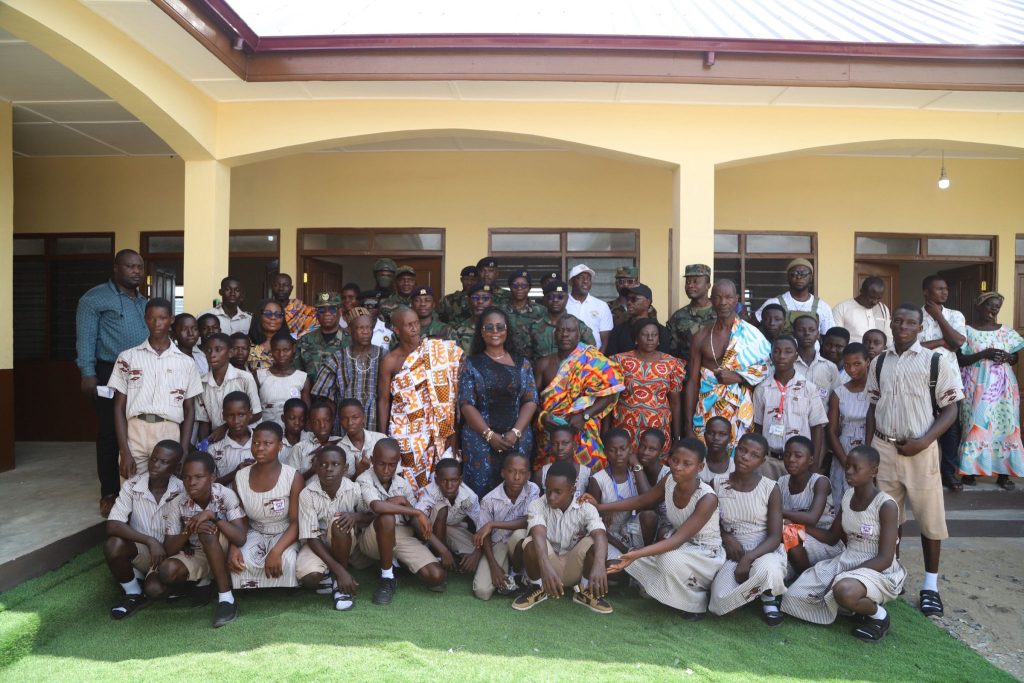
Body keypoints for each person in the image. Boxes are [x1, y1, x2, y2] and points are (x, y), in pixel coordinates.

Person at [866, 302, 964, 617]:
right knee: (888, 518)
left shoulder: (935, 361)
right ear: (891, 324)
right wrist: (869, 451)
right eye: (898, 321)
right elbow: (873, 407)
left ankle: (931, 586)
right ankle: (892, 575)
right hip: (884, 448)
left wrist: (924, 441)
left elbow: (951, 409)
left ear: (920, 328)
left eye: (911, 323)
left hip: (922, 450)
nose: (903, 327)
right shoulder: (879, 362)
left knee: (929, 519)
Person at [781, 446, 907, 642]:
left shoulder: (886, 505)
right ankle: (853, 608)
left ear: (874, 471)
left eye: (856, 468)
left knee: (844, 590)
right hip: (846, 559)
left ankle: (878, 616)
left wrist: (843, 576)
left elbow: (885, 558)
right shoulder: (848, 496)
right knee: (792, 597)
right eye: (847, 466)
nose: (848, 472)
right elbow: (832, 537)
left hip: (878, 569)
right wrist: (798, 527)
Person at [602, 439, 726, 621]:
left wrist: (637, 554)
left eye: (687, 464)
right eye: (674, 460)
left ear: (700, 467)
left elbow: (677, 540)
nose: (678, 467)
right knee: (629, 562)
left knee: (666, 560)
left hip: (705, 553)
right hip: (678, 544)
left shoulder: (707, 498)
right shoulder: (669, 480)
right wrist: (599, 507)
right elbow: (642, 500)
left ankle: (696, 603)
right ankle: (667, 590)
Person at [76, 249, 148, 515]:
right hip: (108, 372)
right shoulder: (95, 298)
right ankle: (109, 492)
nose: (136, 271)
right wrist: (87, 372)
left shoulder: (143, 301)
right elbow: (85, 337)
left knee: (137, 429)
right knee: (109, 432)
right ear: (116, 268)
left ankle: (137, 489)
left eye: (139, 267)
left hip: (143, 373)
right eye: (130, 266)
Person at [108, 298, 202, 480]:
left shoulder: (186, 363)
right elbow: (118, 407)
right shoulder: (128, 357)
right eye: (151, 318)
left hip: (169, 430)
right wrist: (124, 451)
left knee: (168, 490)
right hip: (135, 431)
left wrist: (183, 450)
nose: (157, 323)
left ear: (171, 320)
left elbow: (190, 410)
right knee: (131, 489)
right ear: (145, 319)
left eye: (163, 318)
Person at [155, 450, 246, 628]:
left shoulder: (226, 494)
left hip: (224, 547)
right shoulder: (177, 502)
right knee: (167, 571)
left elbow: (240, 538)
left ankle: (226, 598)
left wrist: (213, 517)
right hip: (198, 551)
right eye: (186, 477)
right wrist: (189, 529)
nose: (191, 482)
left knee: (206, 531)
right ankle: (206, 579)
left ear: (212, 478)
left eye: (199, 477)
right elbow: (169, 549)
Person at [378, 308, 463, 493]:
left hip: (439, 429)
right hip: (405, 431)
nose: (415, 328)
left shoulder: (436, 351)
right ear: (396, 330)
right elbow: (384, 401)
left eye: (416, 323)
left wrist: (454, 432)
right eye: (409, 325)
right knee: (407, 480)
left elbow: (452, 395)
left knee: (440, 481)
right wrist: (382, 436)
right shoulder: (390, 360)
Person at [510, 460, 611, 613]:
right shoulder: (537, 505)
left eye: (558, 492)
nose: (551, 496)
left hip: (573, 566)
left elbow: (600, 534)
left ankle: (585, 591)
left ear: (572, 489)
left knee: (595, 541)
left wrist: (599, 564)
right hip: (546, 566)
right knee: (531, 541)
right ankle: (537, 588)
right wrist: (545, 567)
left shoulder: (586, 508)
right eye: (548, 490)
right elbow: (538, 533)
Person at [458, 307, 539, 497]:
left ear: (507, 330)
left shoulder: (523, 364)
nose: (495, 331)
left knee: (516, 490)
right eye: (489, 327)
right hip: (480, 439)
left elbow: (531, 399)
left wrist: (515, 432)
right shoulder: (471, 364)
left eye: (500, 327)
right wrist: (489, 435)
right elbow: (466, 404)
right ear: (481, 332)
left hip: (517, 439)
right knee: (481, 493)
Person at [708, 433, 788, 626]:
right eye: (742, 450)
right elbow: (709, 521)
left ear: (762, 461)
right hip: (732, 551)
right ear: (735, 450)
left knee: (768, 569)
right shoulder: (717, 484)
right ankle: (753, 591)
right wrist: (726, 537)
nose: (745, 457)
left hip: (764, 550)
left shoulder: (770, 488)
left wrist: (748, 558)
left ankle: (768, 598)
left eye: (754, 455)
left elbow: (775, 536)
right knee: (720, 605)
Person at [356, 438, 447, 604]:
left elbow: (413, 521)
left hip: (401, 535)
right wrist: (416, 511)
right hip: (373, 537)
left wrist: (407, 504)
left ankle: (398, 563)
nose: (386, 470)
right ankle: (387, 578)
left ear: (398, 463)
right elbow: (377, 506)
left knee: (436, 576)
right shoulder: (364, 479)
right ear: (373, 460)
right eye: (381, 464)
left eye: (391, 465)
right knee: (387, 517)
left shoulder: (402, 484)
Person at [104, 440, 184, 620]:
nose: (156, 465)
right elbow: (113, 524)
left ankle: (167, 583)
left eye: (164, 462)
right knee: (113, 544)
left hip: (171, 554)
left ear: (177, 467)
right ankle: (133, 593)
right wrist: (150, 541)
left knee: (155, 590)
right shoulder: (132, 485)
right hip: (143, 551)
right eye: (154, 459)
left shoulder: (182, 489)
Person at [685, 279, 771, 445]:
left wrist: (739, 377)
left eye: (728, 297)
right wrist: (687, 427)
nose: (723, 302)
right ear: (711, 300)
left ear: (736, 299)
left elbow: (769, 368)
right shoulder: (701, 336)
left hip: (740, 412)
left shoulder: (752, 334)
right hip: (707, 410)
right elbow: (692, 382)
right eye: (718, 297)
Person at [534, 316, 625, 471]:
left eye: (570, 330)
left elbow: (611, 392)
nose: (565, 334)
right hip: (551, 432)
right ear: (554, 334)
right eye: (561, 330)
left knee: (590, 474)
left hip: (583, 428)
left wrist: (585, 416)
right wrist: (543, 416)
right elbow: (531, 400)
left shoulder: (592, 360)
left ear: (578, 334)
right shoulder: (543, 364)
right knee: (549, 474)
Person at [957, 292, 1023, 490]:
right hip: (976, 385)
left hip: (1004, 387)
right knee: (975, 425)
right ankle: (970, 471)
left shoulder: (1006, 331)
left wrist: (1008, 357)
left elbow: (1015, 358)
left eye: (997, 307)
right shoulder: (967, 331)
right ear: (979, 307)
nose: (994, 310)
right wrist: (985, 353)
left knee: (1006, 427)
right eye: (990, 305)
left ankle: (1004, 474)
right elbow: (960, 360)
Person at [230, 421, 303, 590]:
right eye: (255, 443)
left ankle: (286, 588)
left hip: (284, 532)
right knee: (241, 560)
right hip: (254, 532)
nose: (260, 448)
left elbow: (296, 523)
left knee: (287, 560)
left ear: (280, 446)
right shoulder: (240, 477)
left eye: (267, 443)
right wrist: (234, 547)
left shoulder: (293, 477)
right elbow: (240, 520)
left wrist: (276, 551)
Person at [295, 446, 370, 611]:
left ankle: (339, 586)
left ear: (345, 468)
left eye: (335, 464)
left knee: (340, 522)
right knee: (309, 578)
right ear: (316, 467)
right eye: (323, 464)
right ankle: (335, 572)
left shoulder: (354, 489)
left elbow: (372, 515)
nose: (329, 469)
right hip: (318, 544)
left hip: (345, 542)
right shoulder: (307, 494)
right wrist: (340, 571)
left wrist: (356, 516)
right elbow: (311, 537)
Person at [752, 336, 828, 478]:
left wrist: (814, 463)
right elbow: (758, 427)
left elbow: (817, 428)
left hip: (800, 462)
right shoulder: (761, 389)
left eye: (788, 351)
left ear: (796, 356)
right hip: (769, 461)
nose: (782, 356)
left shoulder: (808, 389)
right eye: (777, 351)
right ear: (771, 356)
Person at [919, 275, 968, 491]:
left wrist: (939, 316)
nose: (944, 292)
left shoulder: (955, 315)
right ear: (925, 291)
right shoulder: (915, 315)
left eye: (945, 288)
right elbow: (911, 347)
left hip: (949, 379)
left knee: (951, 428)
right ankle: (923, 473)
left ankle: (948, 472)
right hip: (920, 379)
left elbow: (957, 342)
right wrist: (941, 341)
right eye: (939, 288)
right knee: (922, 425)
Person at [473, 453, 540, 600]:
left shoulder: (533, 489)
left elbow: (529, 520)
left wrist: (492, 524)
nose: (517, 477)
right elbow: (484, 536)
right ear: (503, 473)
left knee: (520, 535)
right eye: (511, 471)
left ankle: (517, 574)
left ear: (528, 475)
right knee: (482, 591)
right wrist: (494, 566)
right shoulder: (489, 500)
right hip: (499, 544)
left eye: (522, 472)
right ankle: (506, 571)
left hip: (521, 545)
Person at [612, 318, 686, 450]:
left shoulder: (671, 363)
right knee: (626, 460)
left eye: (654, 335)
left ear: (659, 339)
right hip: (626, 427)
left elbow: (675, 402)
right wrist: (606, 432)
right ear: (636, 339)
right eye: (645, 334)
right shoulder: (619, 361)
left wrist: (677, 436)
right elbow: (610, 398)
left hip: (658, 429)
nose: (650, 338)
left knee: (656, 461)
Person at [311, 310, 385, 434]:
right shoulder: (337, 358)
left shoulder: (384, 356)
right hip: (344, 427)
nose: (366, 332)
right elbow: (324, 398)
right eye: (360, 328)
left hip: (375, 424)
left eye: (369, 327)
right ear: (349, 330)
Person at [778, 436, 843, 575]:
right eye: (787, 455)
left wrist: (780, 513)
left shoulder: (820, 482)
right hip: (797, 539)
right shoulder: (781, 482)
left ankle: (807, 577)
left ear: (811, 460)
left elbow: (812, 518)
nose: (791, 459)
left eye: (798, 456)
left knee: (788, 532)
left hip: (823, 541)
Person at [586, 429, 654, 559]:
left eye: (623, 449)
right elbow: (592, 519)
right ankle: (633, 558)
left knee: (649, 516)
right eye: (613, 450)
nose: (618, 454)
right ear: (605, 452)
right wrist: (624, 549)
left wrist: (636, 464)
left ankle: (647, 555)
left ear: (630, 449)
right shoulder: (598, 480)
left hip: (631, 528)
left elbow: (648, 501)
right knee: (614, 565)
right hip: (609, 534)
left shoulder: (636, 473)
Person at [416, 459, 483, 574]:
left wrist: (477, 553)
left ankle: (453, 557)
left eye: (454, 480)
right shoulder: (430, 492)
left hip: (452, 529)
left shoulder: (469, 497)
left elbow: (483, 526)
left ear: (460, 480)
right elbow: (417, 519)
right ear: (437, 480)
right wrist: (443, 551)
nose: (449, 486)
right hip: (430, 531)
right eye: (444, 481)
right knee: (442, 509)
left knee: (474, 558)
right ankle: (439, 556)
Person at [194, 333, 261, 443]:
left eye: (218, 350)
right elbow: (204, 421)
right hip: (218, 443)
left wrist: (225, 428)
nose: (212, 355)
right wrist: (204, 444)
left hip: (246, 440)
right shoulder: (202, 384)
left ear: (230, 353)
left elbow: (257, 413)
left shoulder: (244, 378)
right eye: (208, 350)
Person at [827, 343, 871, 507]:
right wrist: (845, 461)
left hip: (870, 447)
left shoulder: (877, 391)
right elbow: (831, 431)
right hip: (844, 449)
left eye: (857, 363)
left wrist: (869, 457)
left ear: (867, 361)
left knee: (868, 500)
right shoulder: (839, 393)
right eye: (847, 364)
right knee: (843, 500)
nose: (851, 369)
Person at [755, 258, 835, 336]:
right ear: (788, 278)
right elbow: (751, 327)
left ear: (811, 278)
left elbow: (828, 337)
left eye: (803, 274)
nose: (799, 277)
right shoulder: (773, 303)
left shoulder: (823, 307)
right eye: (794, 274)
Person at [529, 280, 597, 359]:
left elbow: (592, 353)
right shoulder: (534, 326)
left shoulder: (578, 325)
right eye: (551, 297)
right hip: (542, 366)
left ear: (567, 298)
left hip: (571, 366)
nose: (555, 300)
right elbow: (527, 356)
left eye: (560, 297)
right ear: (544, 299)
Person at [256, 331, 310, 427]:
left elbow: (307, 413)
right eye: (276, 350)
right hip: (266, 431)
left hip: (294, 433)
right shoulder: (260, 376)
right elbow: (254, 410)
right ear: (271, 350)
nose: (281, 355)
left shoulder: (302, 378)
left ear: (293, 349)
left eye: (286, 350)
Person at [667, 263, 715, 362]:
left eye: (695, 282)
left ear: (708, 285)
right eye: (688, 282)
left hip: (715, 370)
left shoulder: (721, 313)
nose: (690, 285)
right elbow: (671, 352)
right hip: (687, 369)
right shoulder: (678, 317)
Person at [604, 284, 670, 356]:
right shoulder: (617, 331)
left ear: (648, 302)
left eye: (634, 299)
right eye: (627, 299)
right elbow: (611, 359)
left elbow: (664, 359)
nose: (629, 302)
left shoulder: (661, 331)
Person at [294, 292, 346, 382]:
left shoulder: (351, 341)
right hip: (310, 390)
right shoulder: (304, 341)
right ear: (316, 313)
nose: (327, 313)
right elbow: (297, 374)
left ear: (340, 312)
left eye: (332, 309)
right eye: (321, 310)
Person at [793, 315, 840, 411]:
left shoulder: (830, 367)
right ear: (794, 334)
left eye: (812, 330)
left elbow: (835, 402)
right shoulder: (786, 365)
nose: (807, 333)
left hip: (821, 420)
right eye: (801, 330)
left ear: (818, 334)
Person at [207, 391, 255, 484]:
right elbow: (210, 485)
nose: (236, 421)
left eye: (241, 415)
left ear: (250, 414)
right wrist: (235, 473)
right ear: (223, 416)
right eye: (230, 415)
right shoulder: (214, 449)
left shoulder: (262, 444)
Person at [533, 424, 592, 497]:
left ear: (575, 445)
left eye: (565, 443)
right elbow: (537, 503)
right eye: (555, 444)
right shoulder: (541, 475)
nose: (560, 448)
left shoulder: (587, 475)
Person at [565, 264, 613, 351]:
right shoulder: (563, 304)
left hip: (593, 356)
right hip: (567, 356)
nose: (585, 281)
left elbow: (604, 342)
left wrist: (598, 358)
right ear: (571, 282)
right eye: (581, 278)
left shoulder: (602, 306)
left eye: (589, 278)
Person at [288, 400, 341, 479]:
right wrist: (312, 470)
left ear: (333, 421)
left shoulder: (341, 443)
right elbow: (291, 481)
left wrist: (328, 446)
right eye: (316, 422)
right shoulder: (299, 448)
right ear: (309, 424)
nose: (322, 425)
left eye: (326, 420)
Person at [832, 277, 891, 344]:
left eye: (879, 298)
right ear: (861, 292)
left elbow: (888, 337)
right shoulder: (842, 308)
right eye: (872, 297)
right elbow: (837, 339)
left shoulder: (883, 309)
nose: (875, 302)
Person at [336, 399, 386, 479]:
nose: (350, 422)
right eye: (345, 418)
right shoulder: (338, 450)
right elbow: (340, 485)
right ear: (340, 421)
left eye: (355, 417)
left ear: (364, 418)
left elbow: (393, 476)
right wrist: (358, 473)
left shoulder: (380, 440)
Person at [503, 270, 546, 358]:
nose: (519, 288)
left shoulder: (541, 310)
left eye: (524, 285)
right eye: (515, 285)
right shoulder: (500, 310)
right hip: (506, 359)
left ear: (529, 288)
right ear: (510, 287)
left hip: (533, 360)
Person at [271, 272, 318, 338]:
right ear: (272, 287)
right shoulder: (264, 310)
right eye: (277, 285)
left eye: (285, 285)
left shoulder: (306, 311)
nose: (281, 288)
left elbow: (315, 333)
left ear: (291, 288)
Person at [451, 283, 494, 353]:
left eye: (485, 298)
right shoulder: (456, 330)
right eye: (475, 298)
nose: (480, 301)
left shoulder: (499, 329)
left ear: (492, 301)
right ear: (468, 300)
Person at [246, 299, 286, 372]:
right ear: (259, 316)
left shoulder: (290, 344)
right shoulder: (246, 344)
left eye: (278, 314)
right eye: (268, 314)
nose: (273, 318)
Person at [700, 416, 735, 484]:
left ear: (730, 438)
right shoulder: (695, 465)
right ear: (704, 436)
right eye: (711, 433)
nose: (716, 438)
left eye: (722, 434)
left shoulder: (737, 467)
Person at [280, 398, 310, 466]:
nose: (297, 423)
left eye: (302, 419)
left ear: (306, 420)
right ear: (283, 418)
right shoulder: (276, 440)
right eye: (292, 418)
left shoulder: (311, 439)